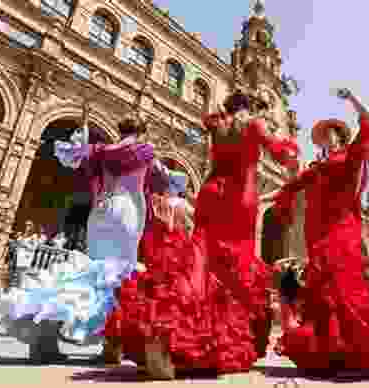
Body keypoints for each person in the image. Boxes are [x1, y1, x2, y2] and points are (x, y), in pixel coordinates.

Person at [106, 91, 300, 379]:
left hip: (211, 193)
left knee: (198, 261)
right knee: (234, 271)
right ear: (249, 108)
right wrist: (290, 149)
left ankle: (164, 329)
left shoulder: (218, 124)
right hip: (240, 198)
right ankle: (212, 340)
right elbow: (282, 155)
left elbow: (208, 120)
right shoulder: (255, 125)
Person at [0, 115, 171, 364]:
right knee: (118, 275)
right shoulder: (144, 150)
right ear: (143, 132)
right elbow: (163, 179)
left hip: (100, 212)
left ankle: (45, 337)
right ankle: (111, 346)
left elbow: (72, 157)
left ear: (119, 129)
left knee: (89, 272)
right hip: (127, 211)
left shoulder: (100, 150)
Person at [271, 88, 369, 376]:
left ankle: (364, 355)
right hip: (318, 234)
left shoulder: (351, 156)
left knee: (343, 288)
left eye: (327, 134)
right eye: (320, 137)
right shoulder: (318, 167)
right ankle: (338, 355)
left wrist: (352, 99)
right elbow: (290, 187)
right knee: (324, 291)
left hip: (341, 230)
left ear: (339, 136)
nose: (322, 140)